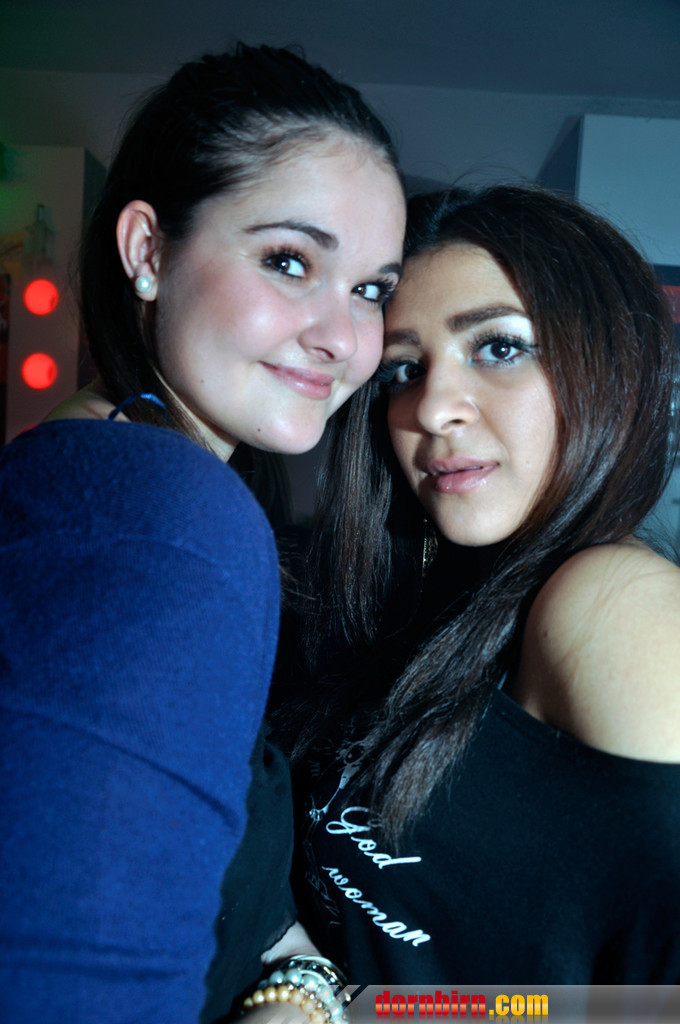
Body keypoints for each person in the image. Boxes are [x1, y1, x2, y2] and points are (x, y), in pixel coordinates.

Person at [0, 43, 405, 1024]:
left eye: (370, 289)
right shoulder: (170, 522)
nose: (344, 338)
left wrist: (299, 980)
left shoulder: (80, 471)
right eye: (290, 261)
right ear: (148, 251)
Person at [276, 184, 680, 985]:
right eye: (403, 369)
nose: (431, 408)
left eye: (498, 347)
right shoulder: (437, 601)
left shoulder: (614, 603)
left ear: (608, 365)